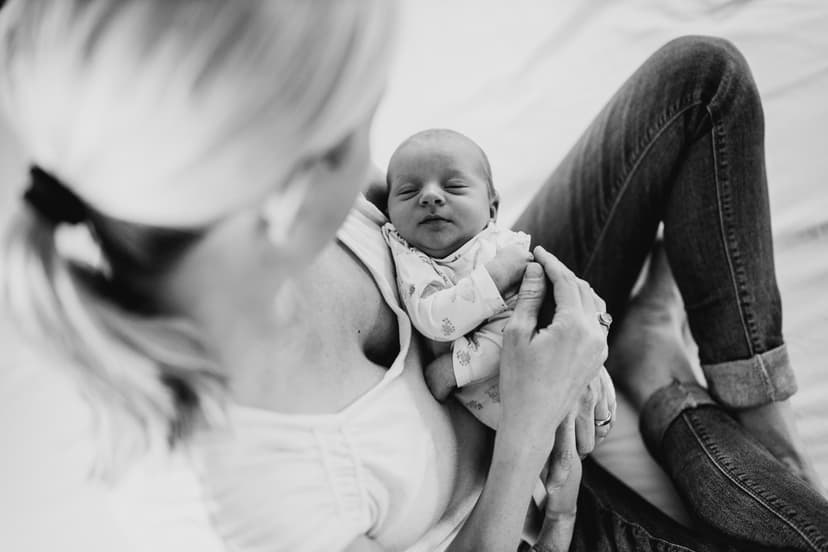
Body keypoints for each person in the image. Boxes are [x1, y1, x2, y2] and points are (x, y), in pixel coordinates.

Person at [0, 1, 825, 551]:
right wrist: (533, 420)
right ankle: (665, 385)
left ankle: (758, 408)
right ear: (284, 189)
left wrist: (523, 283)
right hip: (530, 502)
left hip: (495, 312)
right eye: (354, 123)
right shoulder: (241, 500)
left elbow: (403, 211)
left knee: (700, 81)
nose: (377, 160)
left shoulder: (202, 213)